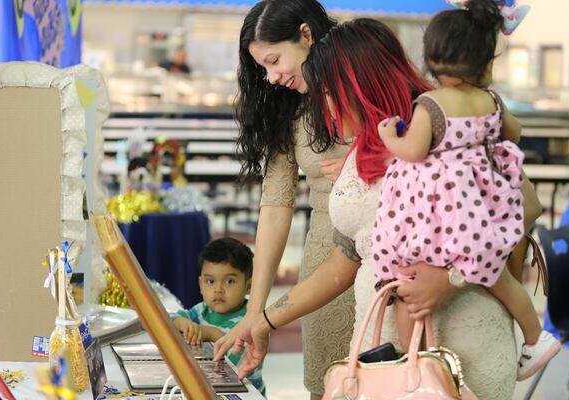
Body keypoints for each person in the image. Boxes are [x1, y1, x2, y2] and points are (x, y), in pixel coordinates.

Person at [217, 18, 544, 399]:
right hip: (388, 353)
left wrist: (450, 276)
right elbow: (343, 263)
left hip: (461, 342)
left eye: (326, 94)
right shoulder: (368, 144)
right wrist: (263, 321)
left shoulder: (439, 133)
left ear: (358, 86)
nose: (322, 108)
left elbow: (524, 209)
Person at [371, 0, 561, 381]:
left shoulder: (431, 104)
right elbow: (514, 133)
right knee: (497, 278)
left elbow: (414, 150)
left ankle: (416, 365)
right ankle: (535, 337)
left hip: (439, 218)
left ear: (432, 55)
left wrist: (389, 136)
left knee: (408, 286)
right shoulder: (490, 100)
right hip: (481, 216)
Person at [215, 1, 354, 398]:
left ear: (306, 35)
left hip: (390, 258)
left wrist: (374, 160)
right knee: (328, 386)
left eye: (275, 61)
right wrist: (255, 310)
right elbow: (276, 205)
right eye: (262, 68)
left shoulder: (366, 81)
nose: (272, 78)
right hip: (326, 259)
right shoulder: (288, 107)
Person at [171, 238, 265, 395]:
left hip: (245, 392)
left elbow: (238, 364)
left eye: (229, 281)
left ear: (249, 286)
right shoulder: (202, 310)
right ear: (201, 285)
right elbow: (172, 319)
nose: (218, 289)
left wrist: (210, 334)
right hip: (208, 386)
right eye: (210, 281)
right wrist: (183, 323)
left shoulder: (251, 319)